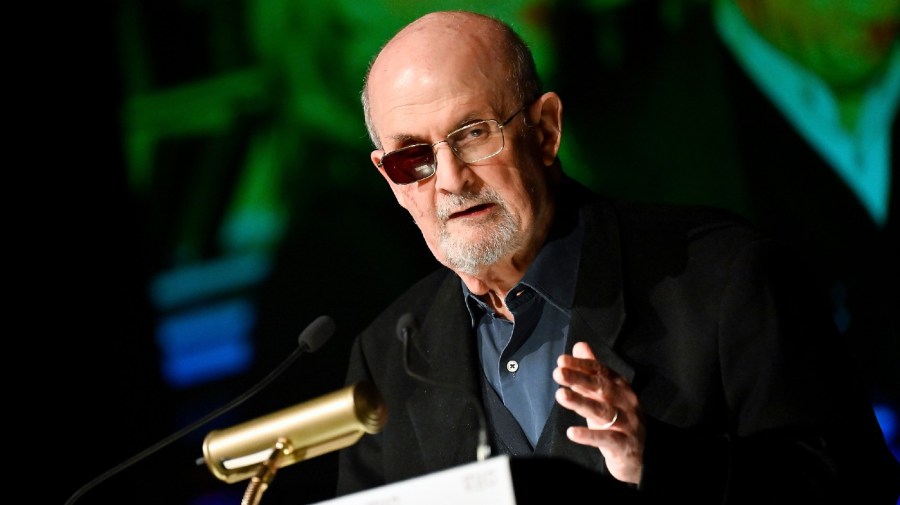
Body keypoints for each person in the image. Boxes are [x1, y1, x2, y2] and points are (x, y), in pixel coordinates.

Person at [335, 10, 899, 504]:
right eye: (414, 159)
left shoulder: (724, 276)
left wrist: (661, 461)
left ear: (546, 130)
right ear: (390, 178)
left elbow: (856, 485)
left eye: (475, 134)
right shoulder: (388, 357)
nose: (451, 180)